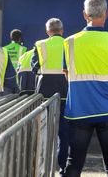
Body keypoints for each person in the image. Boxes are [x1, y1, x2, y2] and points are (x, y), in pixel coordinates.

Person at [62, 0, 108, 177]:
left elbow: (66, 73)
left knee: (73, 165)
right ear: (106, 14)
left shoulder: (70, 42)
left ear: (84, 15)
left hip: (79, 110)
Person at [31, 18, 68, 174]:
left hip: (45, 93)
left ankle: (42, 166)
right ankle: (62, 167)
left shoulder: (40, 45)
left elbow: (34, 67)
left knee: (44, 130)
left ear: (47, 31)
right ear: (62, 30)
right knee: (65, 132)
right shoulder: (70, 44)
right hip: (67, 93)